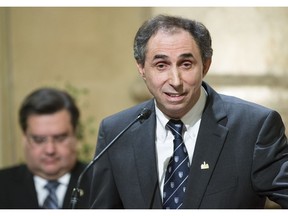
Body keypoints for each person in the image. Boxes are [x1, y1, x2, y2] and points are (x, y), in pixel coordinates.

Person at [89, 14, 288, 209]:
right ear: (141, 68)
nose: (175, 81)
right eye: (161, 65)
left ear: (206, 65)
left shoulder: (254, 127)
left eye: (186, 64)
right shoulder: (116, 132)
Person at [0, 87, 91, 209]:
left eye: (60, 138)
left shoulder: (101, 185)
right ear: (24, 139)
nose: (50, 150)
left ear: (75, 136)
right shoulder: (3, 184)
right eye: (39, 140)